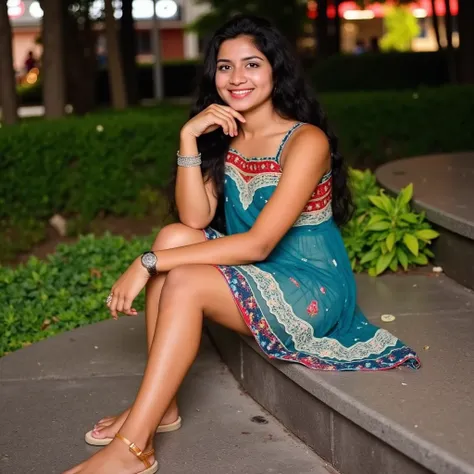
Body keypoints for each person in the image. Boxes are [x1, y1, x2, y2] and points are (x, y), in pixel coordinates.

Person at [64, 14, 420, 474]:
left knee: (182, 276)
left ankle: (134, 448)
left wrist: (148, 262)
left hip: (310, 284)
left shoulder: (303, 140)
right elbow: (193, 219)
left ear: (276, 70)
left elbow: (256, 244)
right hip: (263, 266)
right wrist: (189, 137)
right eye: (225, 66)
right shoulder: (225, 134)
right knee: (175, 235)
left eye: (251, 64)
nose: (236, 78)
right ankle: (162, 406)